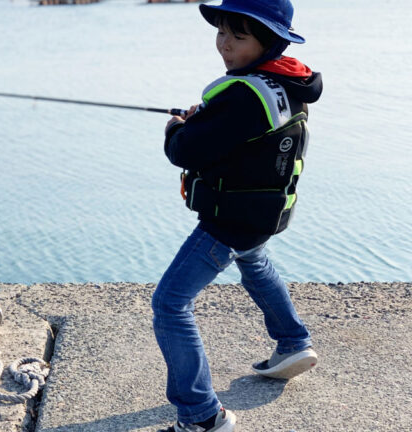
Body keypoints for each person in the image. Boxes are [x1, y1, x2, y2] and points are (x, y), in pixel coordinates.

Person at [151, 0, 323, 431]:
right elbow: (239, 135)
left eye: (238, 36)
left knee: (170, 304)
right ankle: (292, 341)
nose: (224, 43)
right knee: (253, 260)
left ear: (269, 41)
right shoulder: (285, 83)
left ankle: (202, 416)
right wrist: (205, 122)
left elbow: (186, 151)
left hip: (228, 220)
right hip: (262, 213)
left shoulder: (244, 95)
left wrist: (177, 128)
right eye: (222, 31)